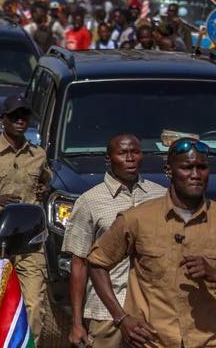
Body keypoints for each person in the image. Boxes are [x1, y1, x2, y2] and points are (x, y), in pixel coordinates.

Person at [88, 138, 216, 348]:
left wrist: (213, 273)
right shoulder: (137, 218)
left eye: (201, 167)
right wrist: (121, 318)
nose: (195, 175)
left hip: (208, 339)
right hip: (153, 341)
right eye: (186, 167)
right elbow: (97, 262)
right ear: (169, 170)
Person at [61, 134, 166, 348]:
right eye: (123, 153)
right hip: (105, 312)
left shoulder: (161, 196)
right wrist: (77, 323)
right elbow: (79, 263)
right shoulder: (90, 201)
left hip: (152, 310)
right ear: (109, 159)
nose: (130, 158)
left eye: (135, 152)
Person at [0, 95, 51, 339]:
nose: (20, 120)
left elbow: (46, 180)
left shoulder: (38, 155)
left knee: (34, 304)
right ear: (2, 119)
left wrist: (44, 189)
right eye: (14, 116)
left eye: (24, 115)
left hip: (31, 244)